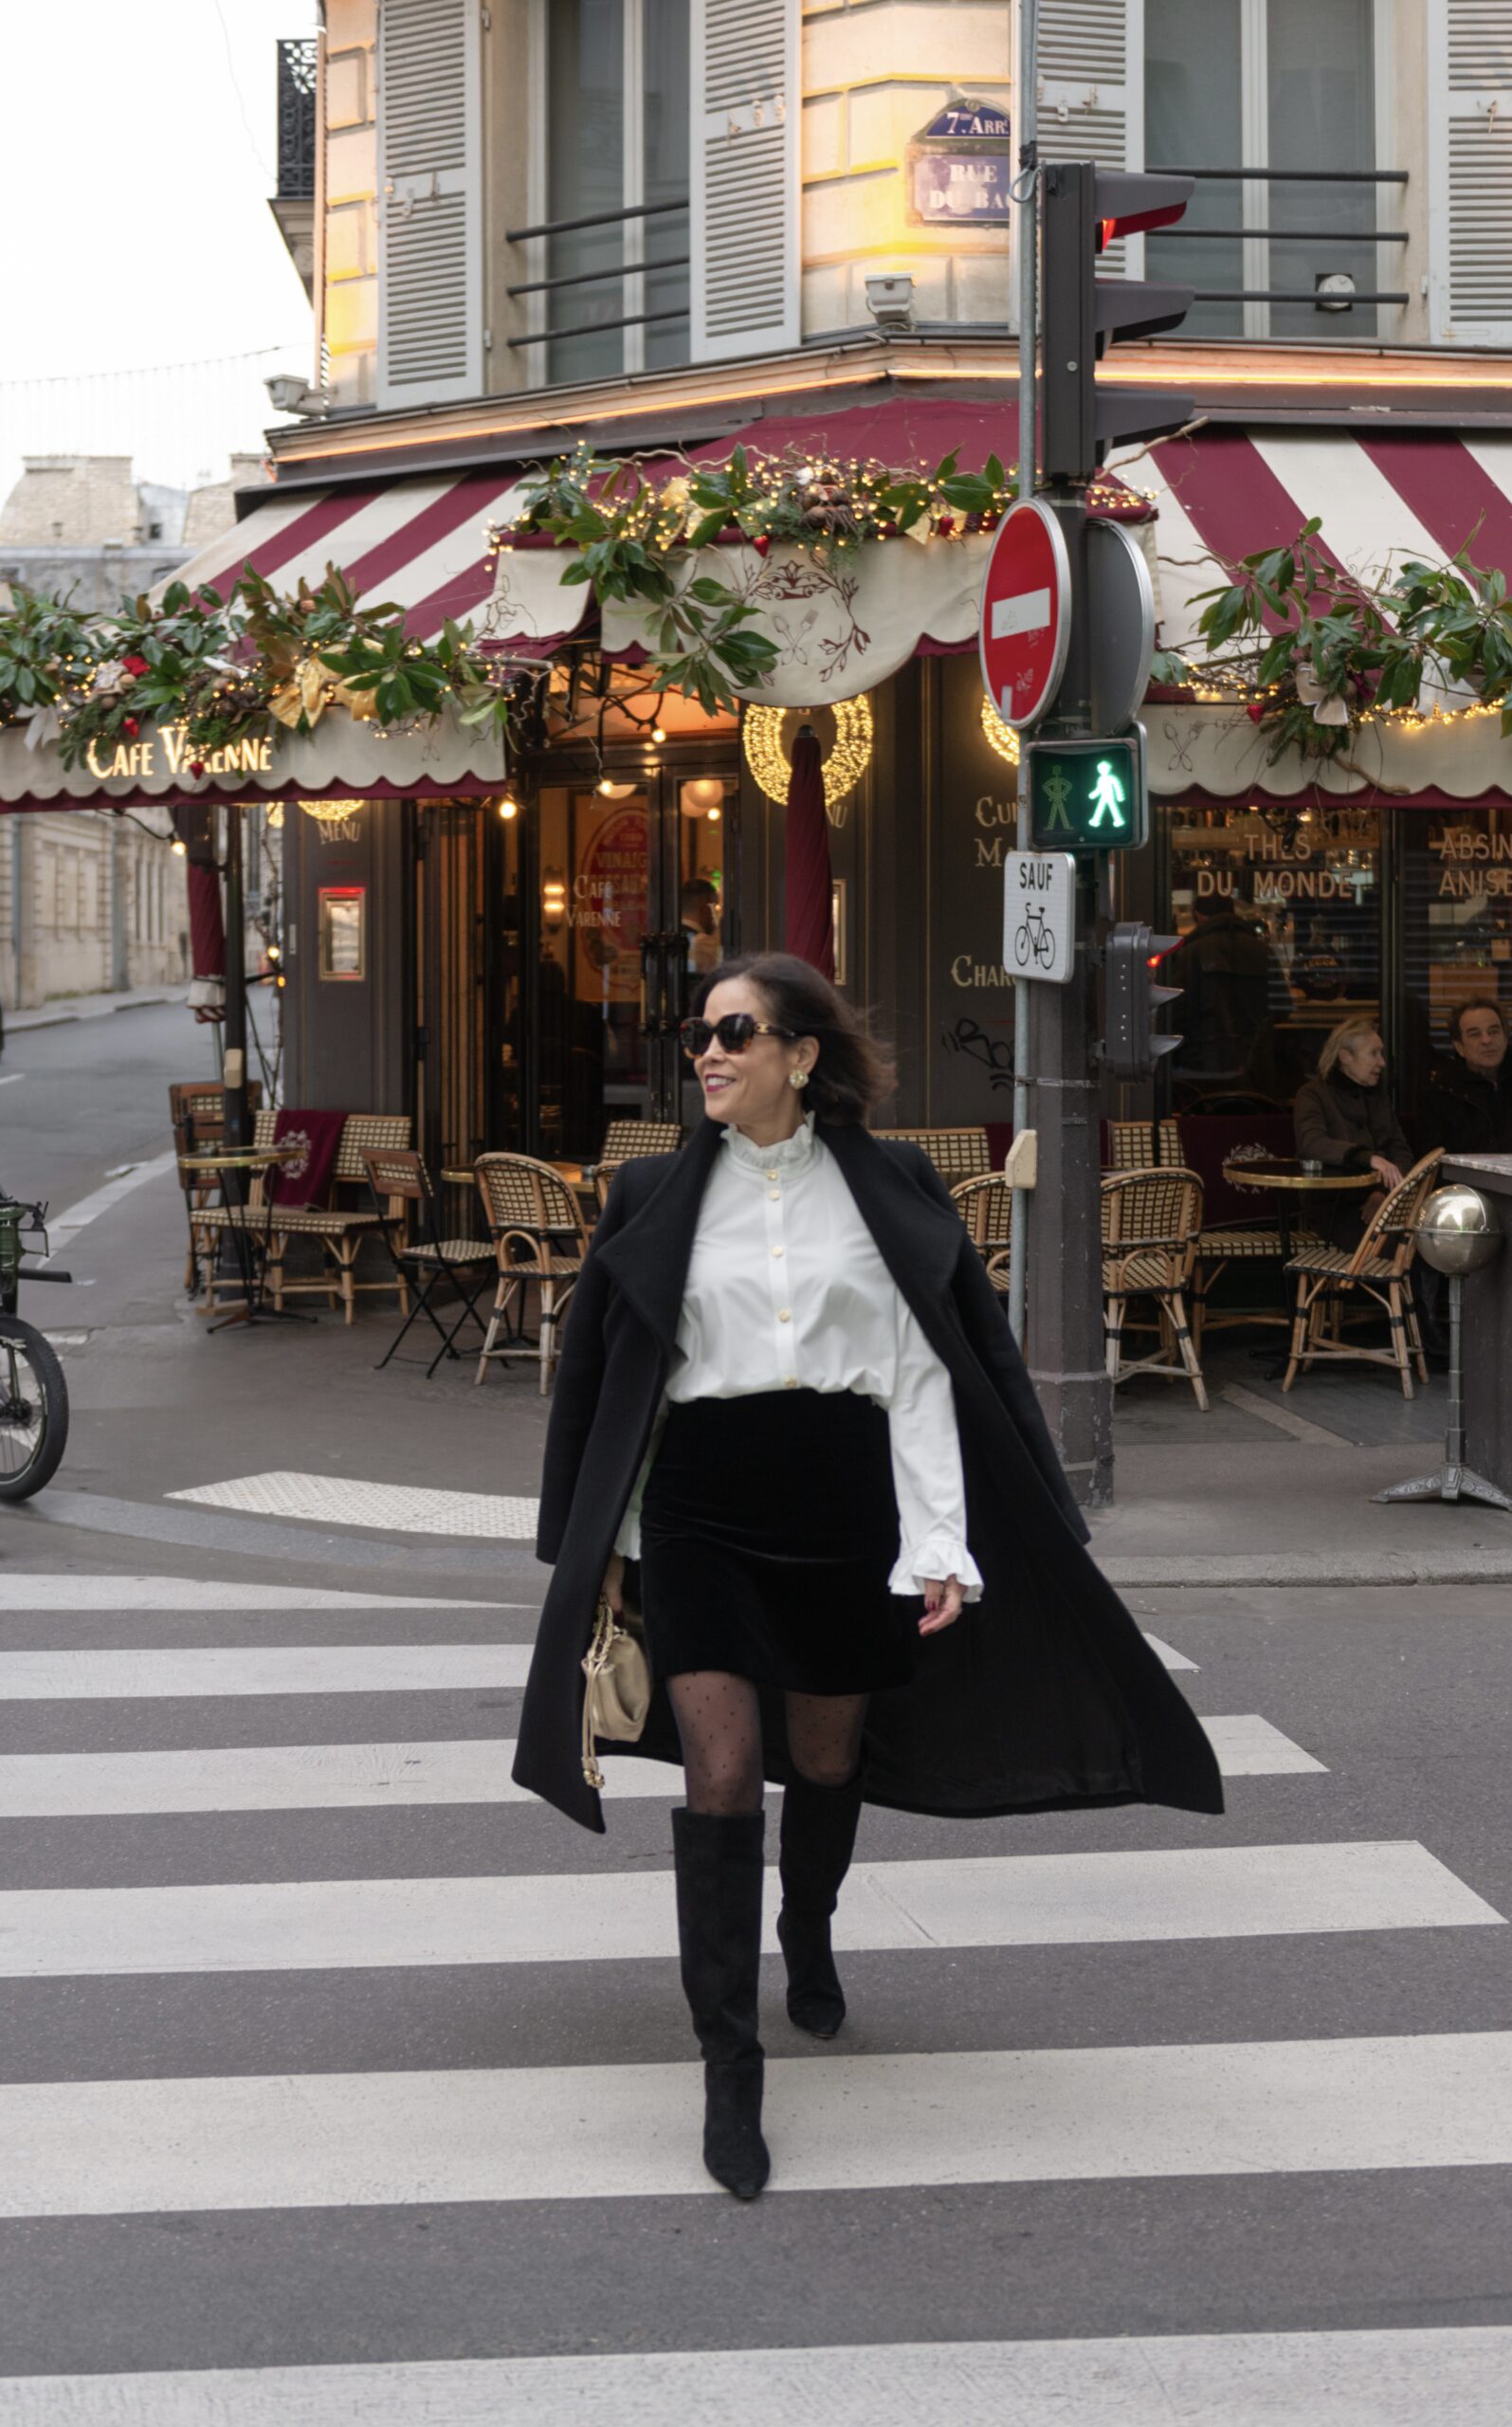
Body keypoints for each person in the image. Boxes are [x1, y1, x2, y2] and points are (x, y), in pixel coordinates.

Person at [512, 953, 1223, 2202]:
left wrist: (938, 1540)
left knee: (826, 1755)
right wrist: (603, 1548)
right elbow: (615, 1381)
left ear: (801, 1054)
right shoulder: (652, 1190)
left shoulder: (886, 1182)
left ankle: (808, 1923)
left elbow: (922, 1372)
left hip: (842, 1501)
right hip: (699, 1505)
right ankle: (729, 2069)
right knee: (722, 1773)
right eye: (697, 1033)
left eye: (735, 1031)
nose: (708, 1052)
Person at [1293, 1018, 1415, 1244]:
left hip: (1384, 1203)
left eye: (1381, 1054)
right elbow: (1312, 1143)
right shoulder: (1312, 1094)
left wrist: (1382, 1192)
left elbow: (1400, 1150)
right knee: (1399, 1247)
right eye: (1374, 1053)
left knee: (1430, 1240)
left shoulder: (1378, 1097)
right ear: (1345, 1057)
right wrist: (1367, 1158)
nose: (1382, 1062)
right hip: (1335, 1207)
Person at [1424, 997, 1512, 1157]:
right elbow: (1435, 1161)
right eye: (1475, 1034)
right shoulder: (1442, 1093)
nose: (1487, 1040)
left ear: (1506, 1038)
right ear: (1459, 1047)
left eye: (1494, 1031)